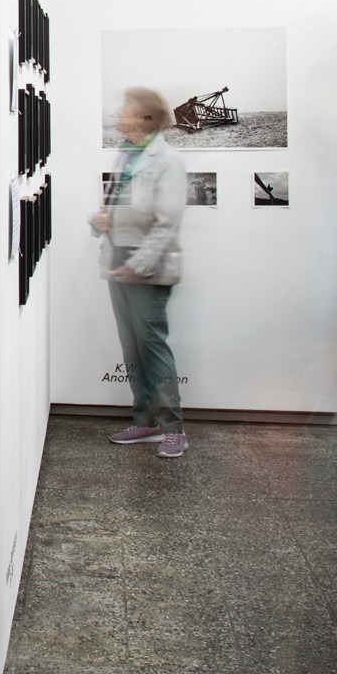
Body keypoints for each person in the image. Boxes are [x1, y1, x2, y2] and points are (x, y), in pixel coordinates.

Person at [91, 87, 189, 458]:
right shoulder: (125, 155)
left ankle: (174, 429)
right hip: (119, 259)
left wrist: (137, 266)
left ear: (145, 118)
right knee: (132, 347)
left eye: (126, 109)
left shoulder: (168, 161)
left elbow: (166, 224)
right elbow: (117, 207)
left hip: (147, 266)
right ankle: (146, 422)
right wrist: (100, 221)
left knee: (153, 348)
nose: (119, 114)